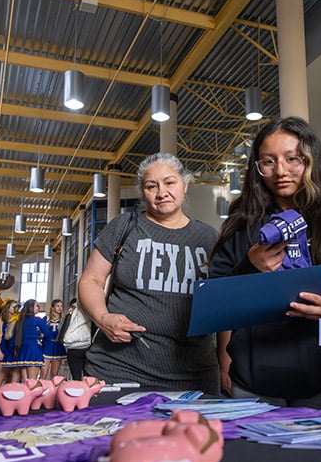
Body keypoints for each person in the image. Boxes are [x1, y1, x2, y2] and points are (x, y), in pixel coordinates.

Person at [209, 116, 321, 414]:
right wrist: (249, 266)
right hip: (254, 384)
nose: (280, 171)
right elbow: (213, 307)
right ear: (256, 169)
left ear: (312, 161)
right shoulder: (239, 227)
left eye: (293, 159)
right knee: (255, 461)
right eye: (268, 161)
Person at [78, 153, 224, 394]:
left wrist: (226, 364)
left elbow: (224, 304)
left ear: (185, 185)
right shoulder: (125, 227)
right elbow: (90, 280)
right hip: (119, 369)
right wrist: (103, 318)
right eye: (151, 186)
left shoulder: (208, 237)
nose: (161, 192)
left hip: (194, 375)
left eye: (169, 182)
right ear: (142, 191)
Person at [6, 299, 46, 382]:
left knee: (25, 382)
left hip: (21, 351)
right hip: (33, 350)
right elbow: (48, 333)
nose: (38, 307)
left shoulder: (19, 321)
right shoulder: (37, 320)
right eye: (36, 306)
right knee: (32, 381)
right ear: (31, 308)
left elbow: (13, 338)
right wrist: (40, 335)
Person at [58, 298, 90, 380]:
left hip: (72, 348)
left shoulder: (70, 311)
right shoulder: (89, 310)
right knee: (88, 379)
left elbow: (64, 328)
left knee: (76, 378)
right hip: (86, 347)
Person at [0, 300, 20, 387]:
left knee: (6, 377)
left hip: (9, 349)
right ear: (8, 308)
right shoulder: (0, 319)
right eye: (13, 307)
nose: (15, 309)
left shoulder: (15, 319)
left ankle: (1, 396)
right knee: (1, 376)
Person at [40, 299, 66, 379]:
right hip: (47, 346)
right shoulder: (46, 319)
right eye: (57, 306)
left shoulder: (63, 320)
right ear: (53, 307)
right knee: (43, 373)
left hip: (58, 347)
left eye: (61, 306)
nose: (60, 308)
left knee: (54, 375)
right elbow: (40, 332)